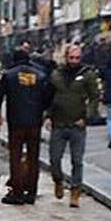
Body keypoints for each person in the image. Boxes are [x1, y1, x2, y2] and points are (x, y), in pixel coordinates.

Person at [0, 46, 51, 205]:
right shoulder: (40, 75)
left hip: (16, 122)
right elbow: (47, 97)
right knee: (33, 157)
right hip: (34, 122)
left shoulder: (9, 75)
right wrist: (42, 112)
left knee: (16, 157)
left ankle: (17, 193)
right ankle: (31, 192)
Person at [46, 44, 99, 208]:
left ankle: (75, 191)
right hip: (58, 123)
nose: (75, 61)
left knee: (77, 160)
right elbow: (49, 97)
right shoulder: (56, 74)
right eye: (72, 58)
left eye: (77, 58)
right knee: (54, 158)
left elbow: (94, 97)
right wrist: (47, 116)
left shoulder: (87, 74)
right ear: (66, 57)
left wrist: (87, 116)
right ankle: (58, 180)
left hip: (77, 123)